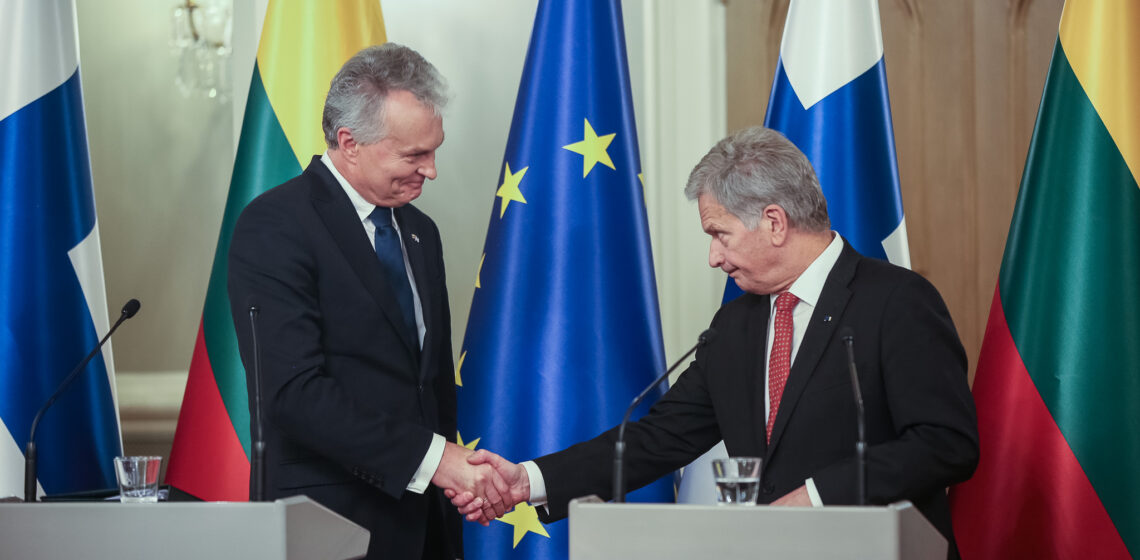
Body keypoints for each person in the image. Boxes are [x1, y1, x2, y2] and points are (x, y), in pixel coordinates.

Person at [450, 126, 979, 556]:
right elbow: (660, 437)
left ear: (774, 222)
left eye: (718, 234)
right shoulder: (737, 325)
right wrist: (528, 479)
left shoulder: (897, 301)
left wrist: (817, 498)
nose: (714, 257)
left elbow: (945, 443)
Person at [228, 44, 508, 560]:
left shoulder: (421, 232)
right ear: (349, 142)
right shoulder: (276, 226)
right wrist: (433, 460)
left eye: (434, 150)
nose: (432, 171)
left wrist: (450, 479)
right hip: (331, 525)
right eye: (413, 155)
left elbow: (431, 387)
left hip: (427, 527)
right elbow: (293, 394)